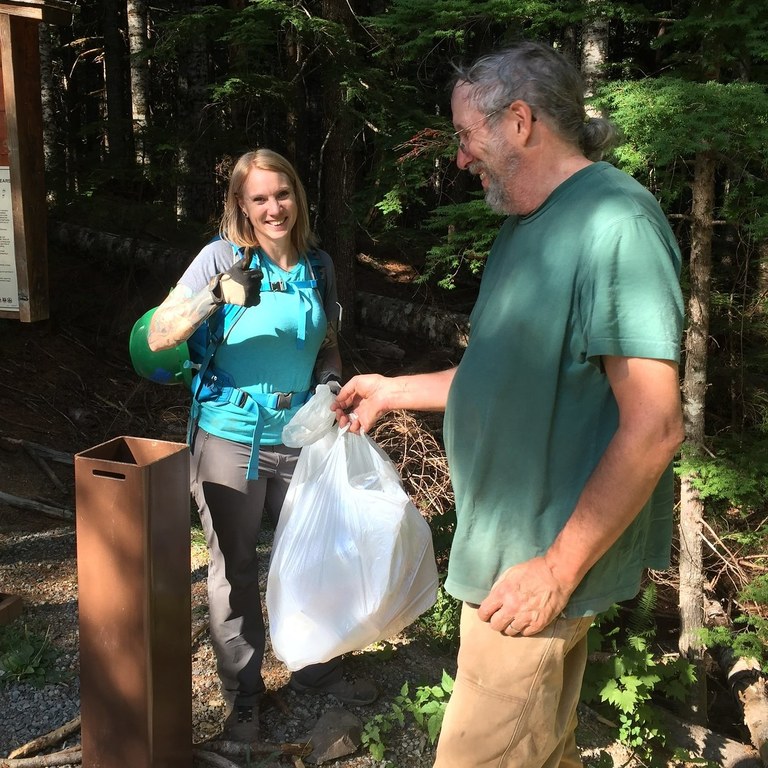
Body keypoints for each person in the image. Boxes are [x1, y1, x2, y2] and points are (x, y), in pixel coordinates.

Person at [332, 42, 685, 768]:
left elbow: (655, 424)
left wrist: (555, 570)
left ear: (520, 121)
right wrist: (392, 391)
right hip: (505, 562)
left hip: (533, 575)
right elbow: (499, 378)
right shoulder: (526, 227)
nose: (462, 158)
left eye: (467, 136)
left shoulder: (616, 224)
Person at [147, 148, 377, 743]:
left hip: (301, 437)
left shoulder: (319, 265)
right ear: (241, 207)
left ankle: (313, 668)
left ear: (298, 197)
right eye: (260, 199)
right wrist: (215, 296)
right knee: (235, 568)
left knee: (312, 554)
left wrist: (330, 382)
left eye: (283, 194)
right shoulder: (218, 258)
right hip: (230, 437)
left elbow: (327, 341)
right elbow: (157, 335)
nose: (274, 208)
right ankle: (244, 699)